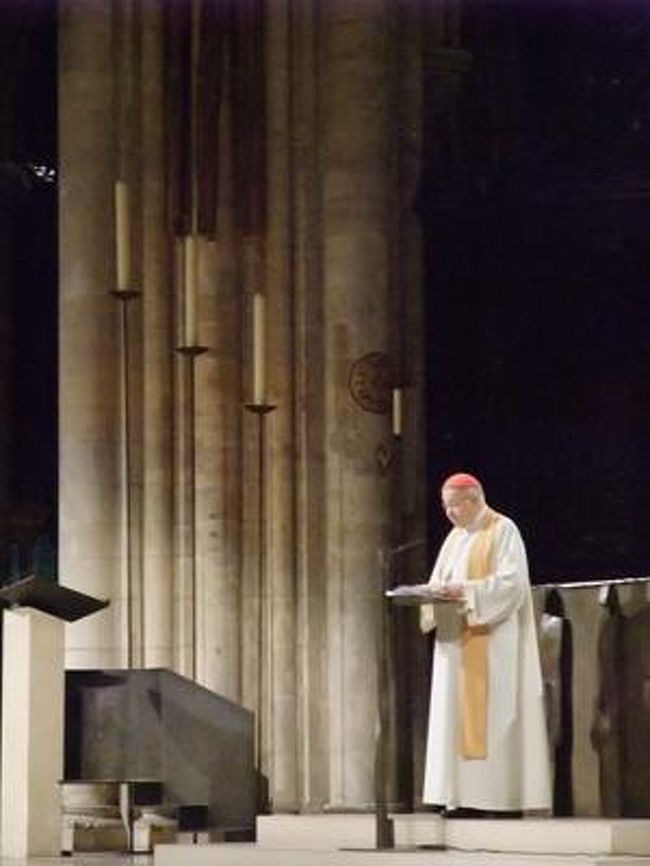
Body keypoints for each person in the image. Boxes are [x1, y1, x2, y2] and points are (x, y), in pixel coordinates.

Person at [418, 472, 551, 815]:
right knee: (455, 720)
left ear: (473, 500)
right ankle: (461, 798)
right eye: (444, 506)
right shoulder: (454, 539)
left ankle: (497, 800)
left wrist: (464, 591)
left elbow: (512, 584)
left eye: (453, 505)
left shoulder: (503, 530)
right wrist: (432, 594)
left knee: (494, 717)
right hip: (455, 643)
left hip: (493, 643)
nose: (448, 513)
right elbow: (437, 582)